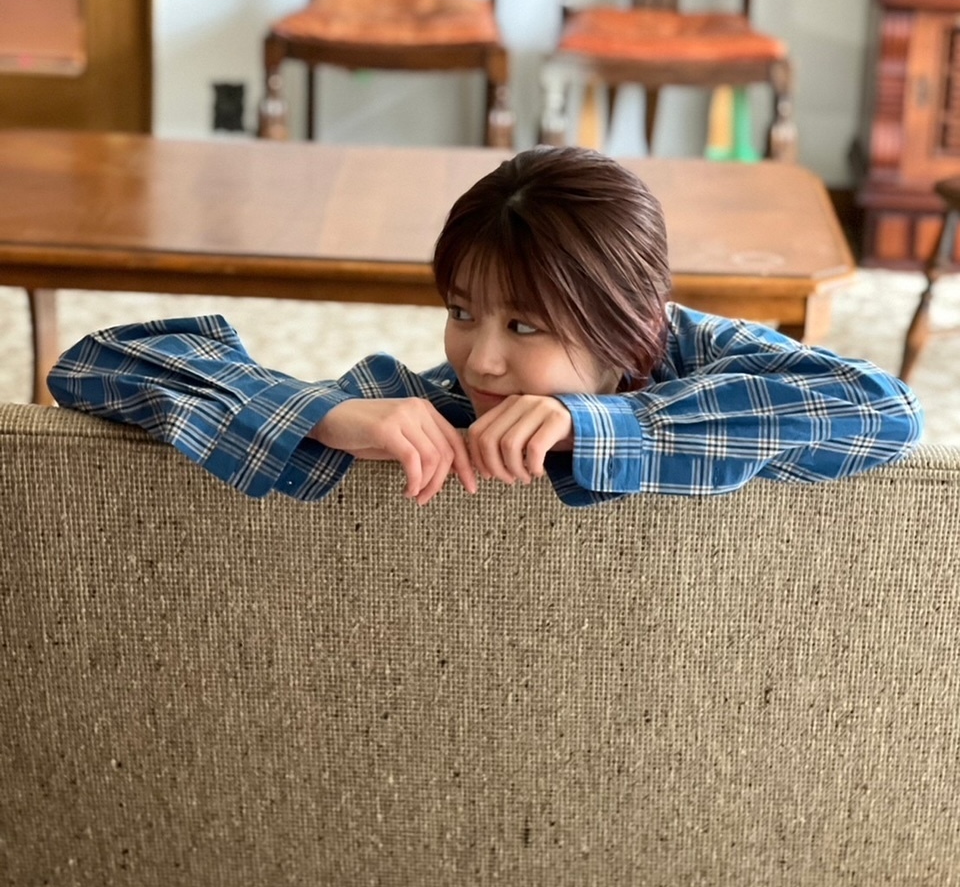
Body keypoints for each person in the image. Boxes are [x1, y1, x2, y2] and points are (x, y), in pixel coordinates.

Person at [47, 146, 923, 509]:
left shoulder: (694, 350)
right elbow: (95, 365)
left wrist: (601, 426)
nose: (482, 359)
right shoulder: (430, 412)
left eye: (526, 325)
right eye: (461, 312)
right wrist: (322, 412)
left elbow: (886, 412)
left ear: (630, 322)